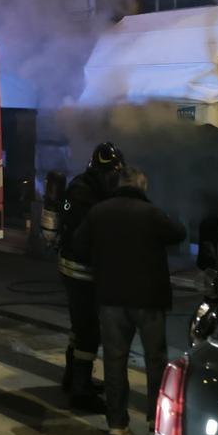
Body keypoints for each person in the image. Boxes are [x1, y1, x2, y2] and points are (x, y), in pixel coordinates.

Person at [73, 166, 186, 435]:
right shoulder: (151, 213)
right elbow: (178, 233)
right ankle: (154, 419)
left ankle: (117, 423)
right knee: (155, 360)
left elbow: (78, 246)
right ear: (141, 185)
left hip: (111, 298)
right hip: (148, 299)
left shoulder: (99, 212)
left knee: (114, 360)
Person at [57, 141, 125, 410]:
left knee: (80, 327)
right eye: (110, 173)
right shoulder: (82, 193)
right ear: (98, 170)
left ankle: (72, 377)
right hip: (80, 270)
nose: (113, 178)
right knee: (88, 330)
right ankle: (81, 390)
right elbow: (88, 235)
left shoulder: (90, 189)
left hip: (81, 268)